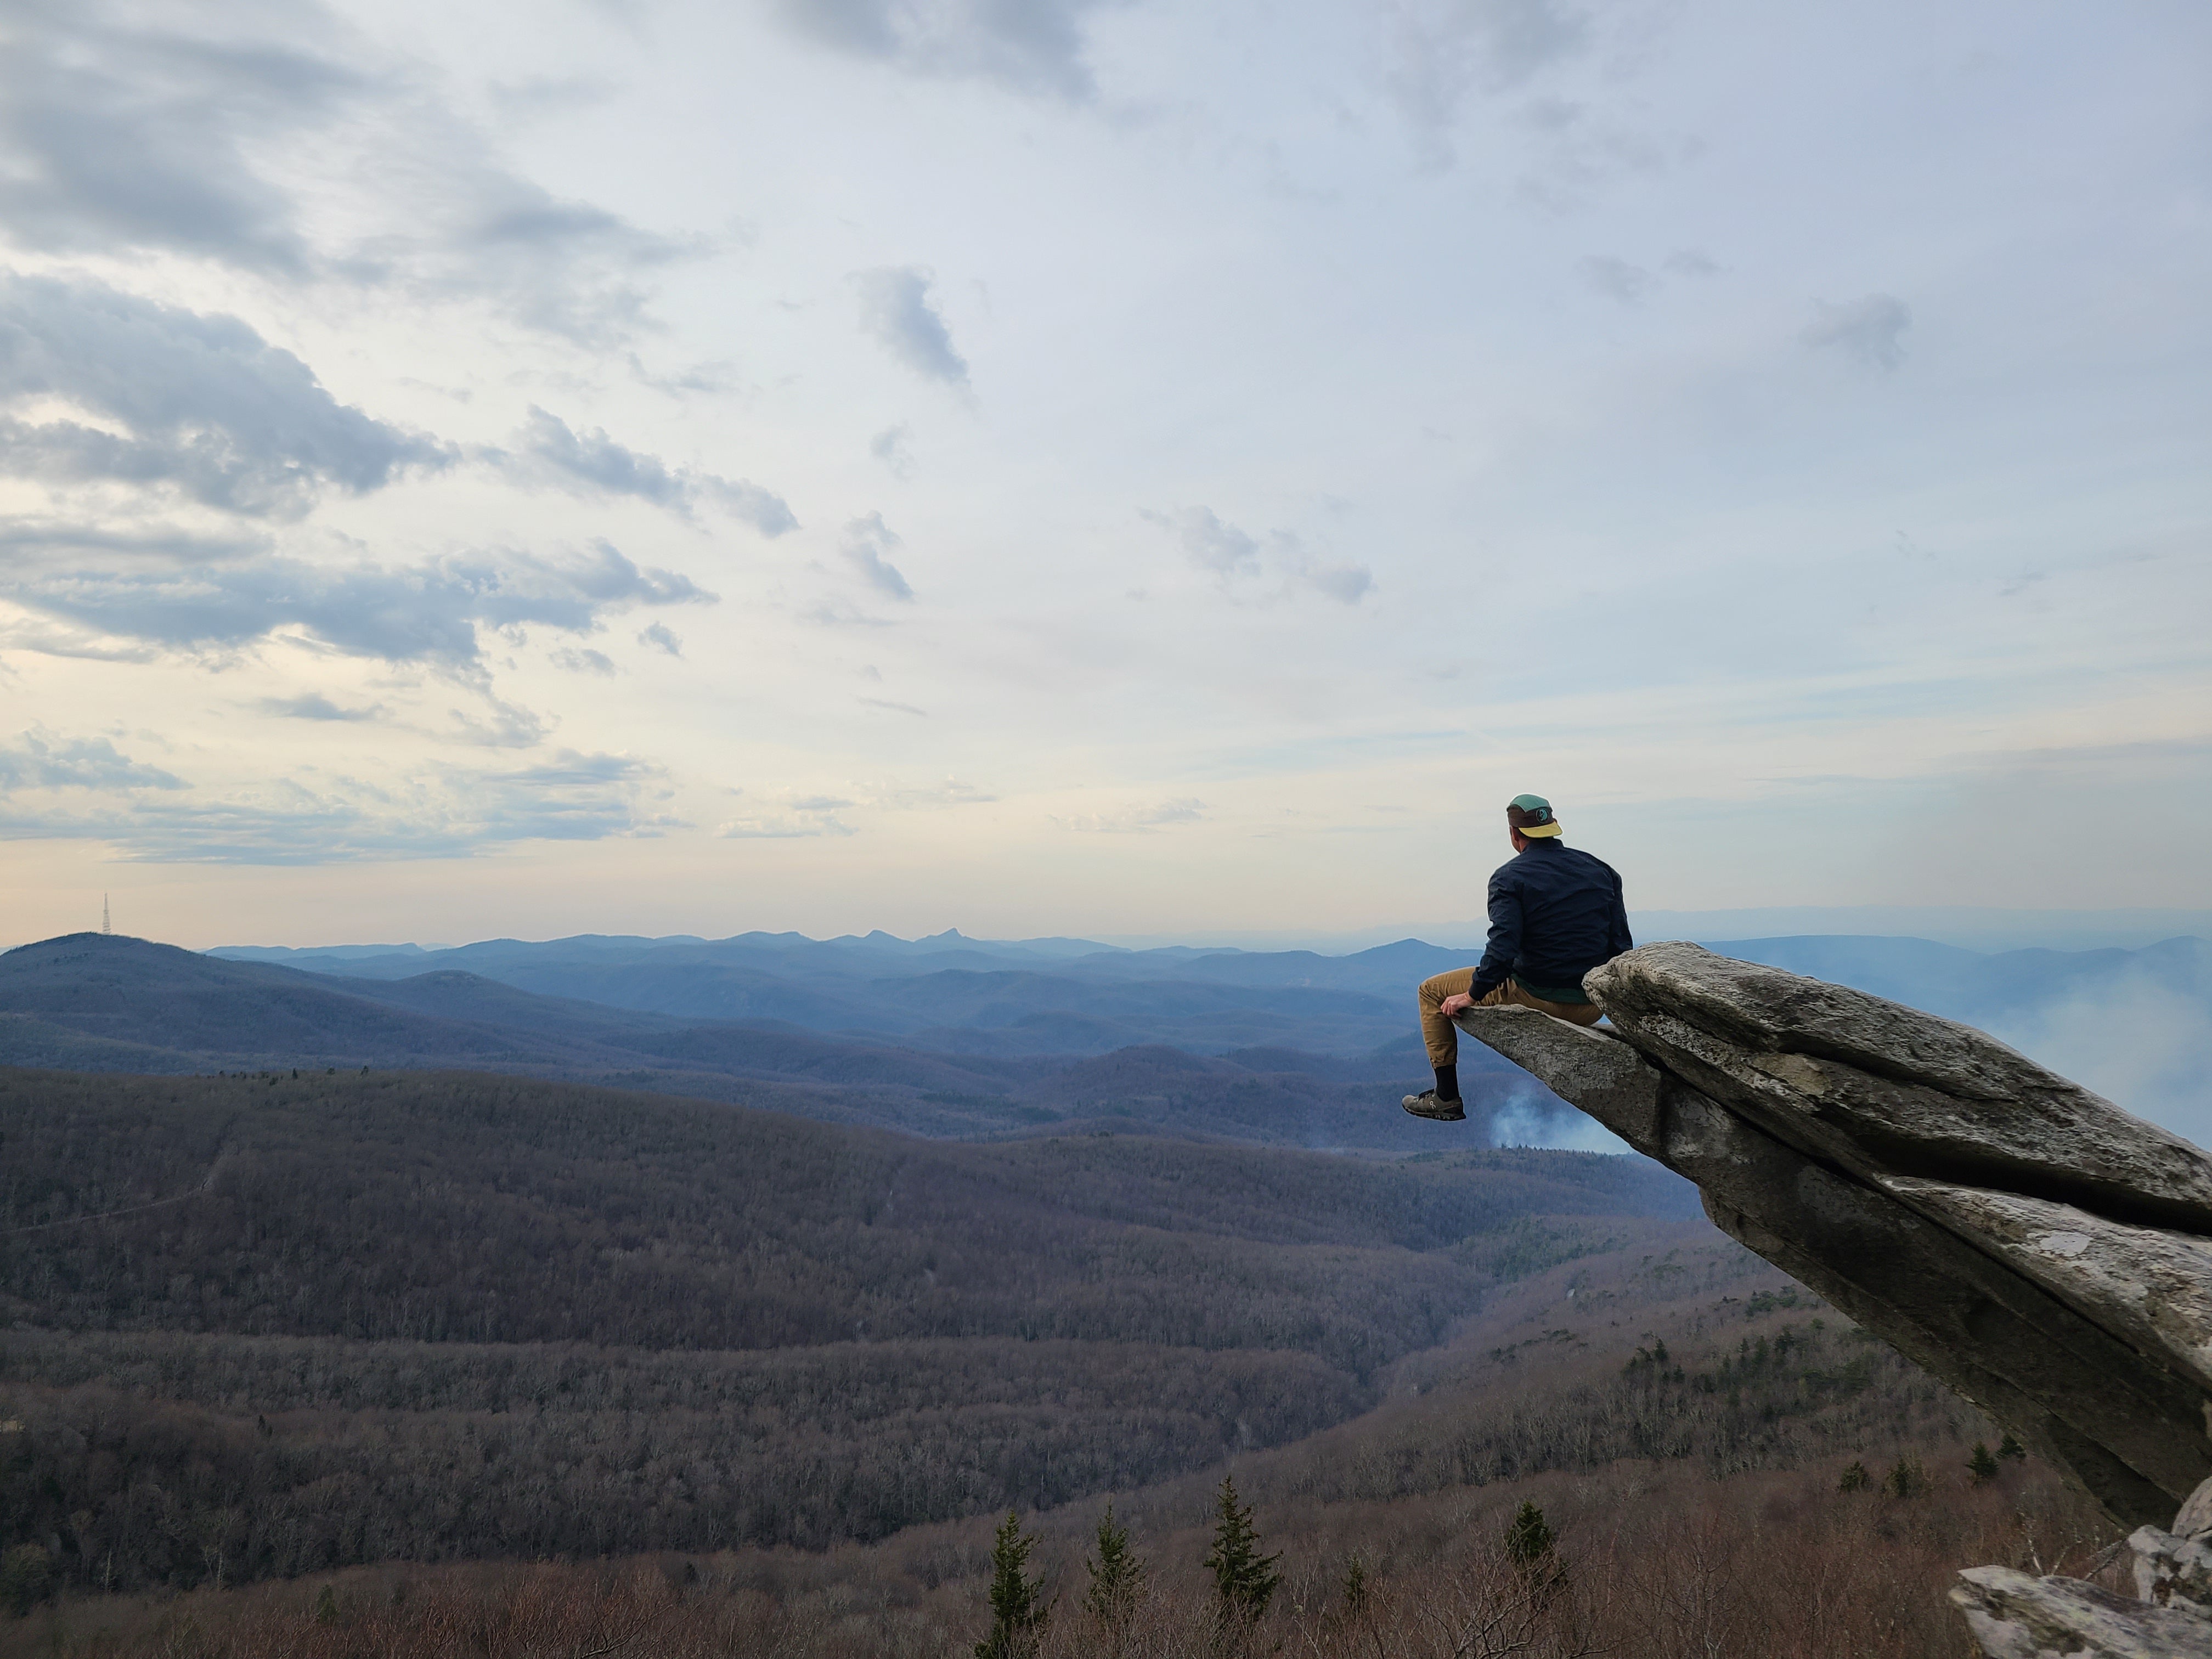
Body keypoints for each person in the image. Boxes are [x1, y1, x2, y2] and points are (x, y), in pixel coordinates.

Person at [1402, 793, 1632, 1122]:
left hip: (1537, 994)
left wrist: (1472, 994)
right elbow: (1621, 947)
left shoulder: (1510, 877)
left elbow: (1503, 947)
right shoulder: (1602, 871)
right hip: (1592, 1005)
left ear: (1514, 834)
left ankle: (1446, 1096)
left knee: (1430, 991)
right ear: (1553, 827)